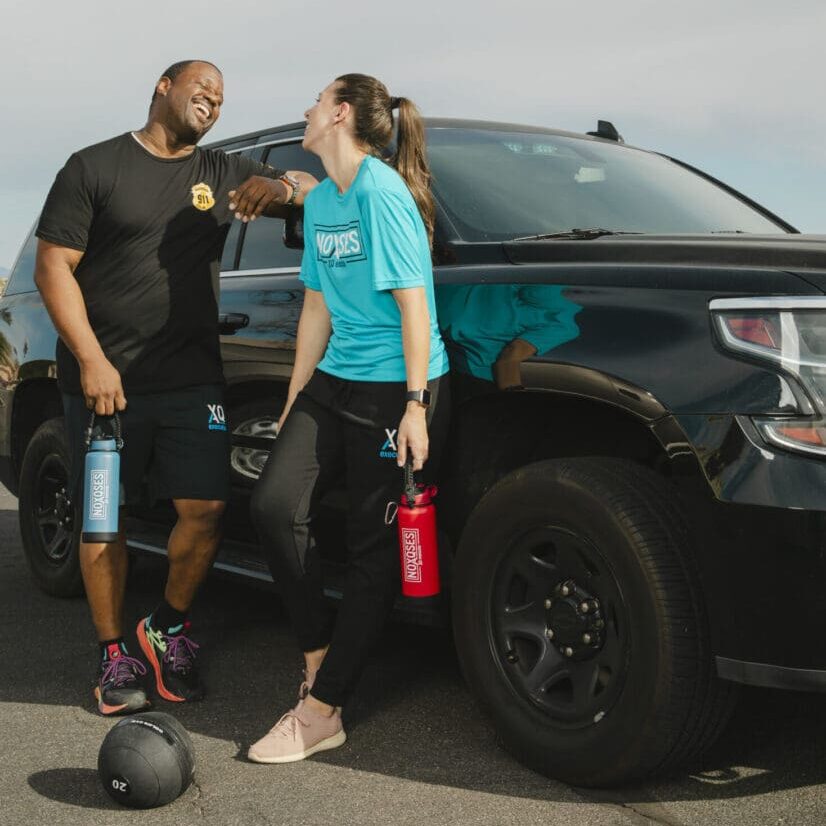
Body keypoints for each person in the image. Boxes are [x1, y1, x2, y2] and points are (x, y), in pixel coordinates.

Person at [34, 60, 316, 716]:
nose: (213, 102)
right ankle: (113, 654)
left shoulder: (218, 172)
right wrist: (93, 360)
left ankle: (165, 627)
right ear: (163, 87)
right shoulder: (95, 167)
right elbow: (54, 268)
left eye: (221, 99)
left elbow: (303, 183)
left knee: (207, 511)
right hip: (106, 387)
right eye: (202, 89)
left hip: (193, 381)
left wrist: (284, 192)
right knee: (105, 519)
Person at [247, 73, 450, 763]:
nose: (304, 107)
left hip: (396, 387)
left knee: (372, 553)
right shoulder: (327, 198)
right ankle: (317, 654)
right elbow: (316, 306)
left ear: (337, 115)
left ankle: (322, 711)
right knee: (275, 505)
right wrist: (293, 399)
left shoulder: (380, 193)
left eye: (314, 100)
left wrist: (417, 407)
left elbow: (415, 306)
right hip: (335, 377)